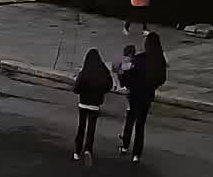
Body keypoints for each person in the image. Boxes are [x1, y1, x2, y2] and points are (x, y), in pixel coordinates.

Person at [121, 32, 167, 163]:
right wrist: (152, 86)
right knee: (140, 124)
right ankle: (136, 154)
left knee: (130, 119)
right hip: (147, 96)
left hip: (134, 94)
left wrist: (128, 85)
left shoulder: (139, 58)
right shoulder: (160, 61)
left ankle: (125, 145)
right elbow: (162, 79)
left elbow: (127, 74)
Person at [71, 49, 113, 163]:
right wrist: (101, 93)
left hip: (83, 104)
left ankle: (77, 151)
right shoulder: (103, 72)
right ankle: (88, 149)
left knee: (81, 127)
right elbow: (109, 85)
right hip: (95, 105)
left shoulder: (84, 72)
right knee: (91, 129)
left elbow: (76, 89)